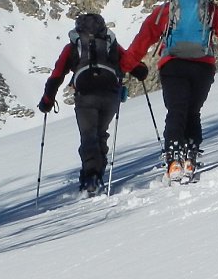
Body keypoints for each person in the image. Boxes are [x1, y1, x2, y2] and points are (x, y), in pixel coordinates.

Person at [119, 0, 218, 181]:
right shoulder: (210, 10)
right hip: (202, 67)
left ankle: (173, 158)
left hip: (173, 65)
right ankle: (190, 155)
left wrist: (124, 67)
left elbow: (142, 41)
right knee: (192, 111)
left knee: (176, 110)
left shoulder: (165, 11)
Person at [38, 13, 145, 193]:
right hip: (110, 95)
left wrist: (47, 100)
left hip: (86, 95)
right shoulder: (110, 43)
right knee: (100, 134)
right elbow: (132, 64)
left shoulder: (72, 47)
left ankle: (90, 177)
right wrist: (141, 70)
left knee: (89, 136)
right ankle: (96, 175)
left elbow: (56, 75)